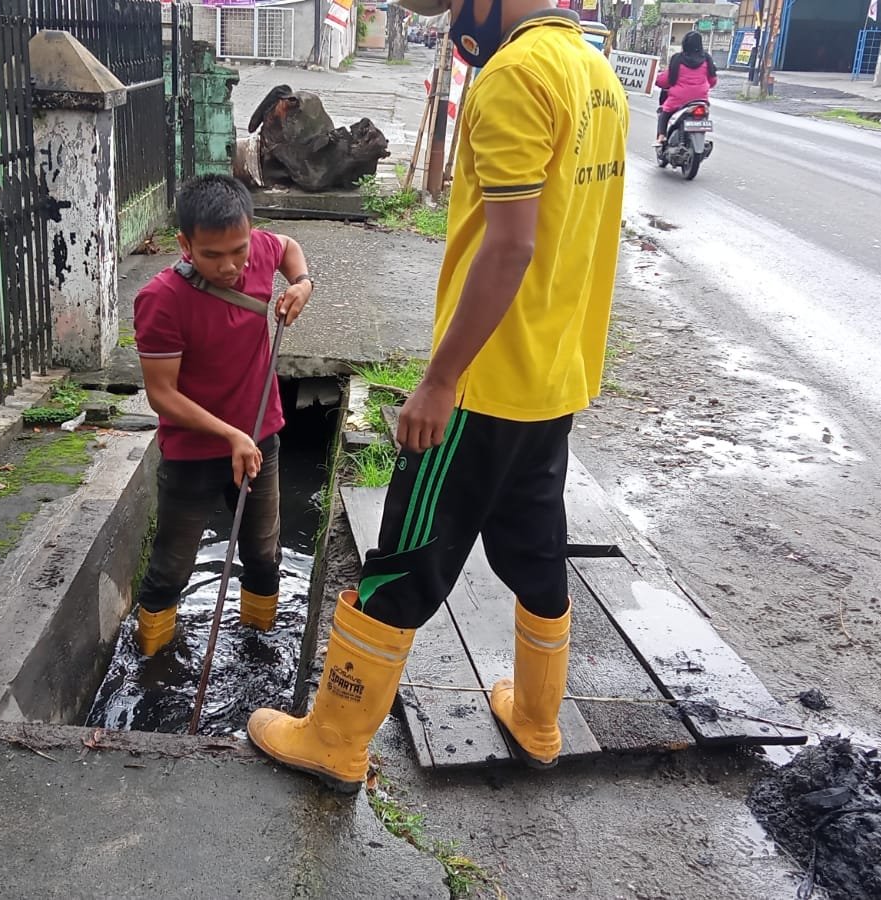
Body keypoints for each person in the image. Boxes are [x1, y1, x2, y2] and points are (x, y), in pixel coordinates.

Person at [246, 0, 628, 792]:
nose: (454, 18)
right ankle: (536, 717)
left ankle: (336, 739)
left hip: (485, 383)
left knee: (405, 561)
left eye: (454, 4)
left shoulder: (514, 74)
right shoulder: (597, 72)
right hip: (553, 375)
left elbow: (512, 243)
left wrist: (443, 378)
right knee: (535, 549)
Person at [130, 175, 313, 655]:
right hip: (194, 453)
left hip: (261, 439)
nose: (230, 266)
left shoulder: (260, 250)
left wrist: (301, 283)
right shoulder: (160, 301)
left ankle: (261, 645)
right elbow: (162, 395)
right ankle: (153, 656)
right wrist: (230, 435)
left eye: (239, 250)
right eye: (212, 255)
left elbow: (289, 247)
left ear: (251, 232)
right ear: (185, 244)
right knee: (171, 566)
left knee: (263, 555)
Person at [655, 31, 717, 145]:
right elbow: (713, 81)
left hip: (679, 100)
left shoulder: (677, 59)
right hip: (701, 100)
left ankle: (662, 136)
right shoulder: (707, 59)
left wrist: (656, 80)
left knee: (664, 111)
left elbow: (667, 80)